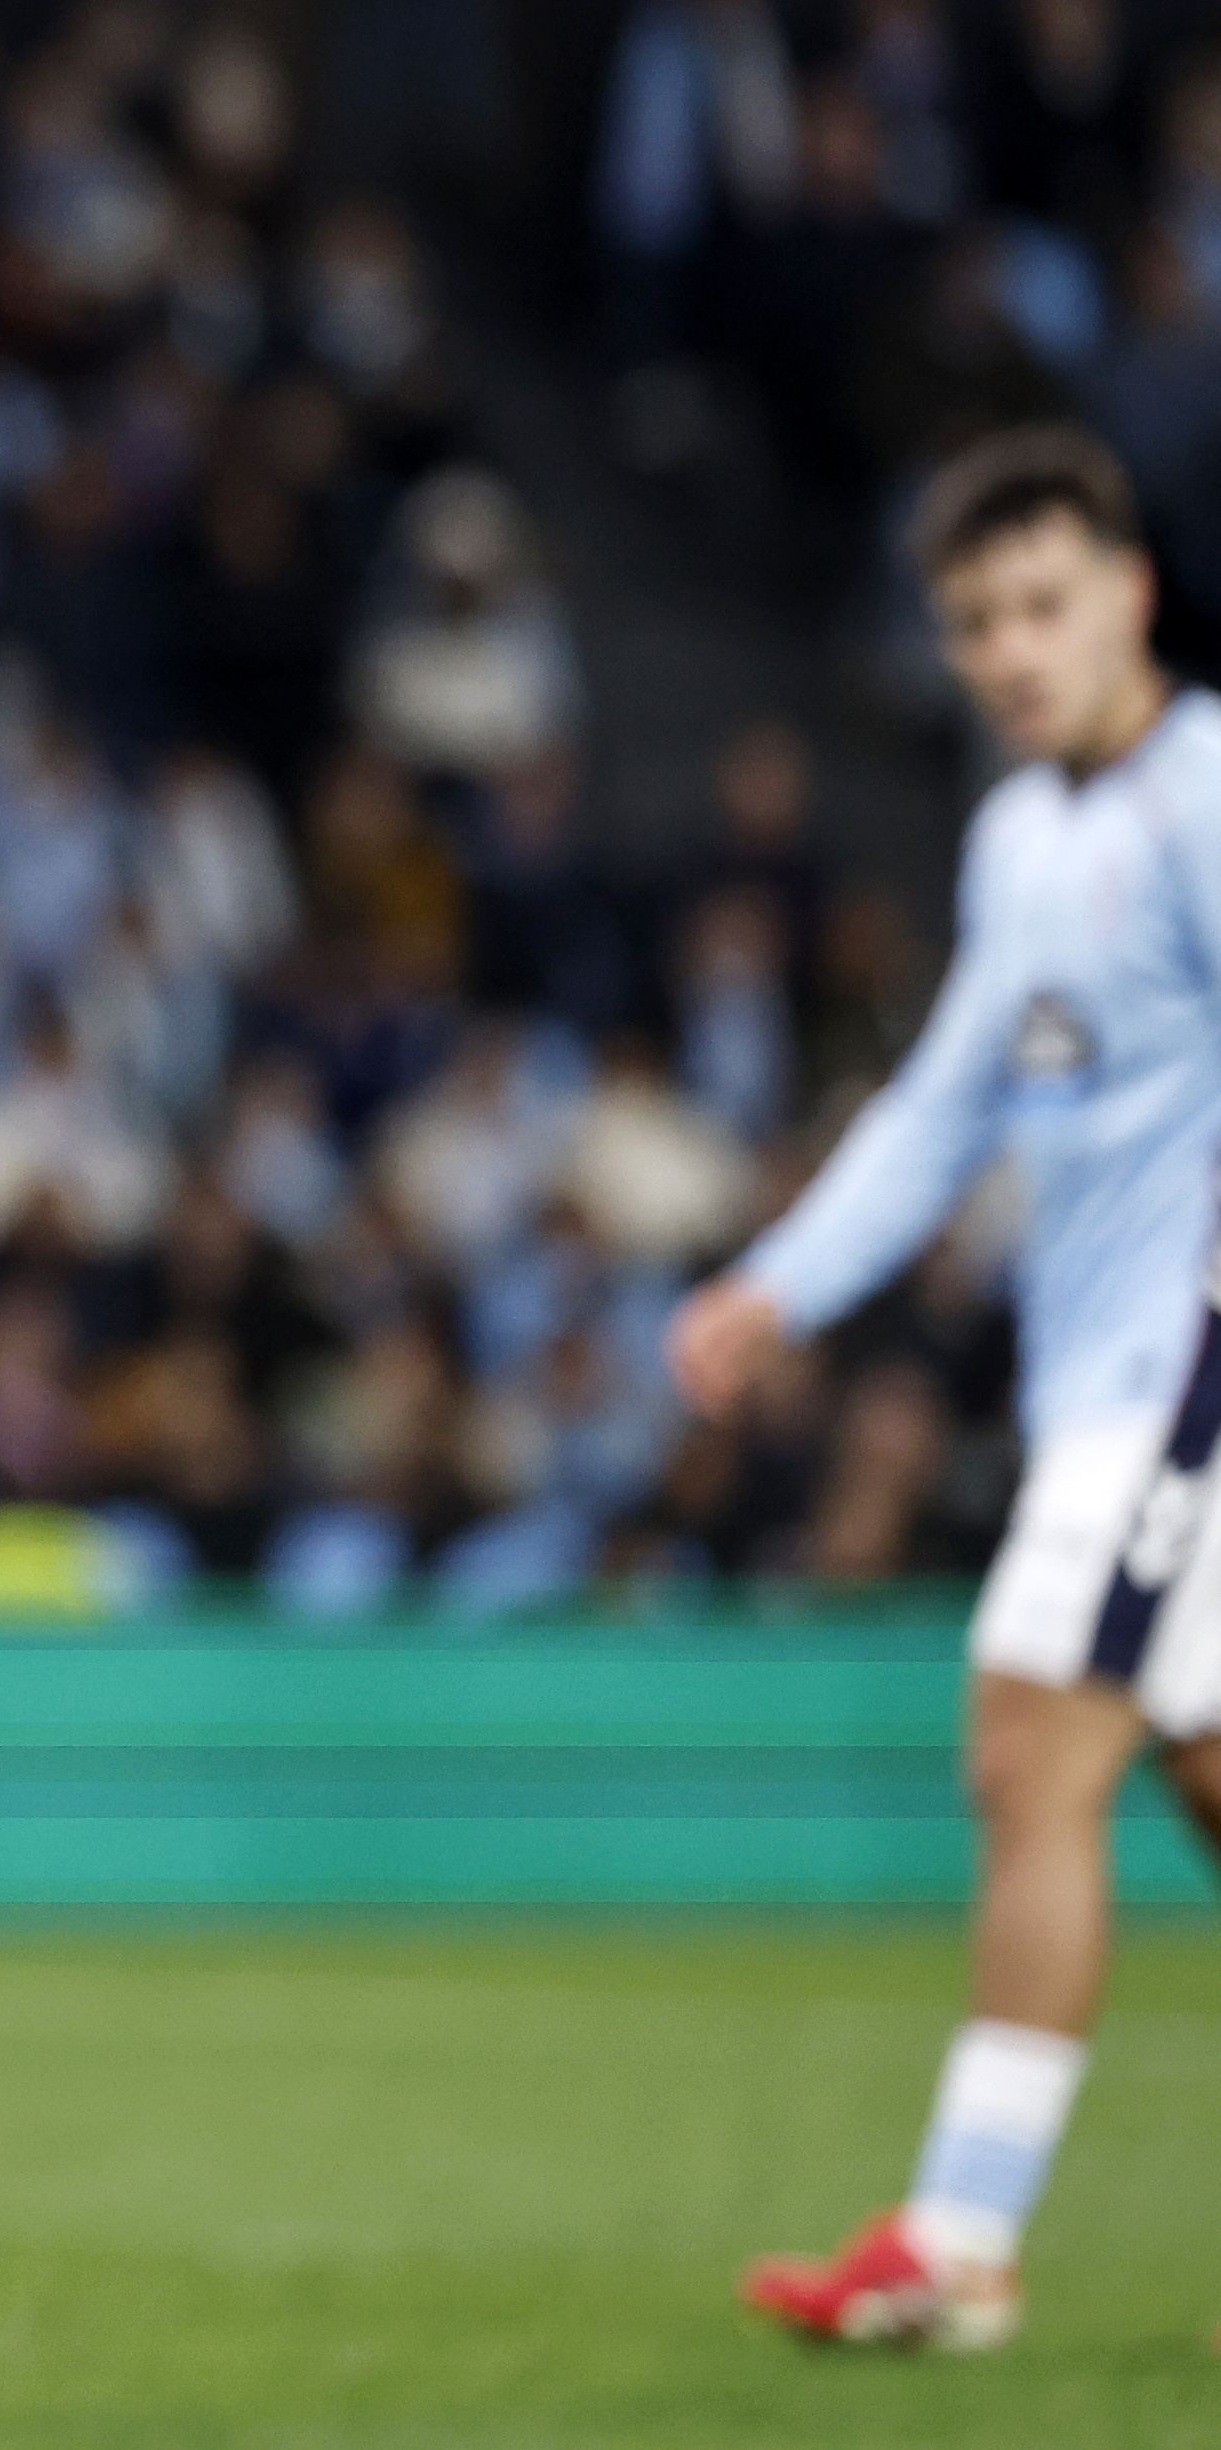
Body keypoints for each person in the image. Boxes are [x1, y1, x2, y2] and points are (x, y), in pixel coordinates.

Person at [673, 423, 1221, 2351]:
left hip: (1190, 1370)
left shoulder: (1205, 795)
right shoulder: (1022, 833)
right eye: (974, 619)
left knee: (1024, 1746)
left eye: (1042, 604)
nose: (1009, 649)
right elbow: (939, 1109)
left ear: (1130, 592)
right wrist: (778, 1280)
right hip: (1115, 1376)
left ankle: (961, 2245)